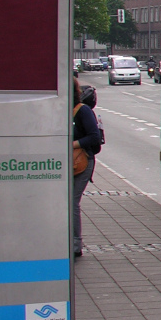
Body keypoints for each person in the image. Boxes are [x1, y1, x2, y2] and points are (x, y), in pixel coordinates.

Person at [71, 76, 101, 257]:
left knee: (72, 202)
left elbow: (94, 137)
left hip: (82, 162)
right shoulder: (60, 109)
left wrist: (72, 144)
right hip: (66, 162)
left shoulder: (82, 111)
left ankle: (76, 244)